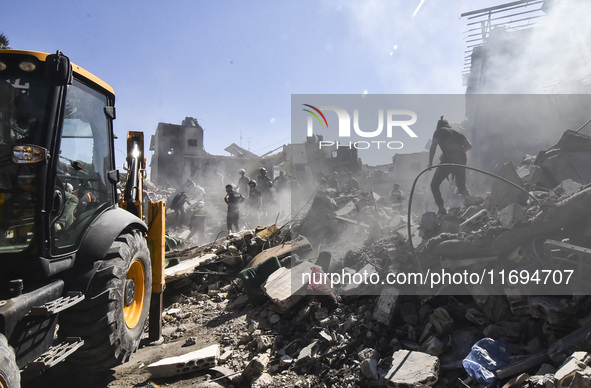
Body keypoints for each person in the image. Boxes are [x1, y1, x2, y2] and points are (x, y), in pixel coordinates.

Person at [428, 116, 473, 215]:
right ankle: (471, 201)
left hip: (448, 161)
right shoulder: (457, 132)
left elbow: (433, 146)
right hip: (461, 160)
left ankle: (441, 208)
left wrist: (430, 162)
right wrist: (459, 152)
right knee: (461, 186)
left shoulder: (439, 131)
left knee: (434, 185)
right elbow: (469, 145)